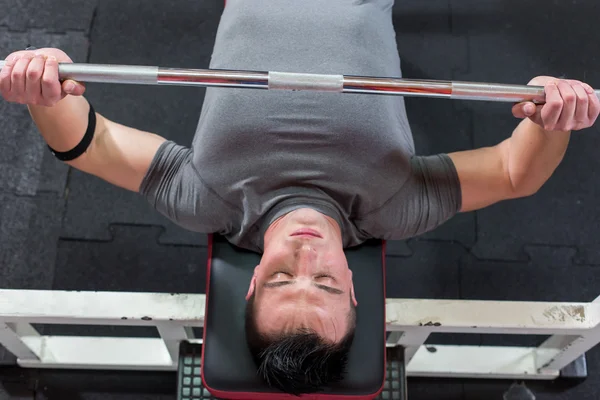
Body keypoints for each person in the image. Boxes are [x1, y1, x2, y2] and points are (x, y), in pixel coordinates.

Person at [1, 0, 598, 394]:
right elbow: (515, 172)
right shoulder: (394, 207)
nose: (305, 256)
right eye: (328, 284)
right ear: (355, 285)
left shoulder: (211, 201)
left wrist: (44, 92)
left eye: (284, 279)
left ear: (254, 280)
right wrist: (552, 120)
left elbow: (90, 143)